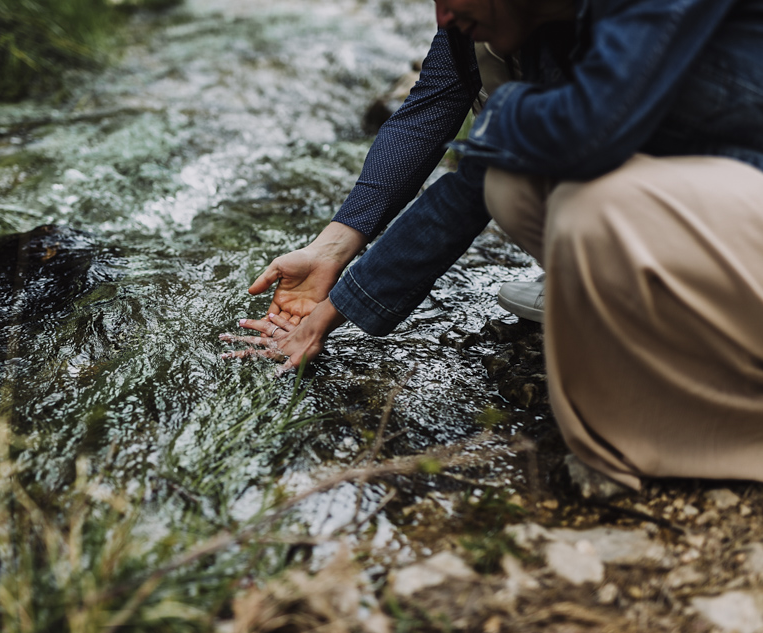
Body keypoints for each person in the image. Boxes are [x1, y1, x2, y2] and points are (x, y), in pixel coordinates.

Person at [223, 0, 763, 490]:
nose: (440, 19)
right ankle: (625, 323)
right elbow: (439, 121)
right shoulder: (525, 22)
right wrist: (334, 263)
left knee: (583, 204)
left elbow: (587, 127)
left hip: (738, 190)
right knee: (514, 186)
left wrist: (503, 118)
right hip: (691, 199)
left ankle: (714, 438)